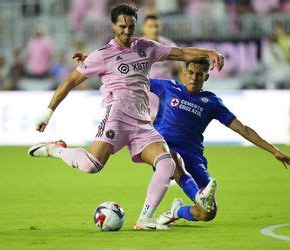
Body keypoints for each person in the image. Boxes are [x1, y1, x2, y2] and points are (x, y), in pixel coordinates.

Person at [28, 3, 224, 230]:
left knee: (166, 162)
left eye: (131, 26)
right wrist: (48, 111)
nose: (127, 31)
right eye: (122, 26)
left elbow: (181, 53)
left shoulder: (146, 47)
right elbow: (70, 80)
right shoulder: (102, 55)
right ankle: (55, 149)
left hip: (142, 122)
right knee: (92, 166)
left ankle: (144, 218)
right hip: (117, 117)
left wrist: (209, 52)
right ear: (112, 25)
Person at [148, 58, 290, 224]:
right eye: (190, 73)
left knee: (207, 213)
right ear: (183, 73)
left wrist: (274, 150)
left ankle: (177, 211)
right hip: (164, 149)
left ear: (206, 78)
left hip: (194, 157)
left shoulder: (212, 102)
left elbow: (243, 129)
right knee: (173, 159)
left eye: (199, 74)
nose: (194, 78)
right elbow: (134, 81)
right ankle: (198, 196)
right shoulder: (168, 87)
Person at [142, 14, 183, 120]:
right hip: (145, 95)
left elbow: (181, 70)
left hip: (165, 94)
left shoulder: (169, 46)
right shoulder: (136, 47)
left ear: (161, 27)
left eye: (156, 26)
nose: (154, 30)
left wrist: (185, 94)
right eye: (150, 26)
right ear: (144, 28)